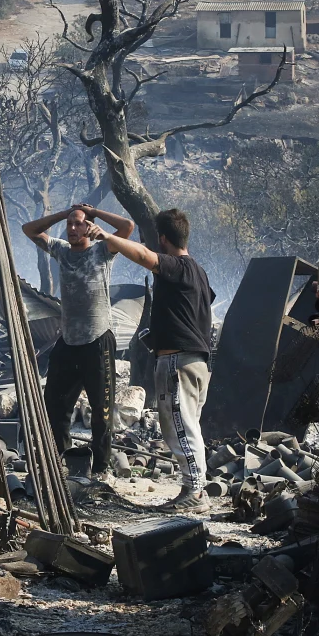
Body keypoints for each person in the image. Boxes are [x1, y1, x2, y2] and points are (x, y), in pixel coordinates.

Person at [87, 208, 215, 512]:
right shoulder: (199, 271)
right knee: (190, 427)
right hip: (196, 362)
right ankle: (196, 490)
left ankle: (194, 494)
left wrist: (108, 236)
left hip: (178, 364)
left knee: (180, 429)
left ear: (162, 239)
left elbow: (145, 257)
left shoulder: (177, 266)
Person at [22, 203, 136, 479]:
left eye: (79, 224)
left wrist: (96, 215)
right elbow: (29, 229)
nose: (73, 229)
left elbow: (127, 227)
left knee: (101, 409)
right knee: (55, 405)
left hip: (97, 340)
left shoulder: (102, 250)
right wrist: (64, 214)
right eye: (69, 225)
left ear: (89, 227)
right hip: (68, 341)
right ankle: (63, 460)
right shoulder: (61, 250)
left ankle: (100, 468)